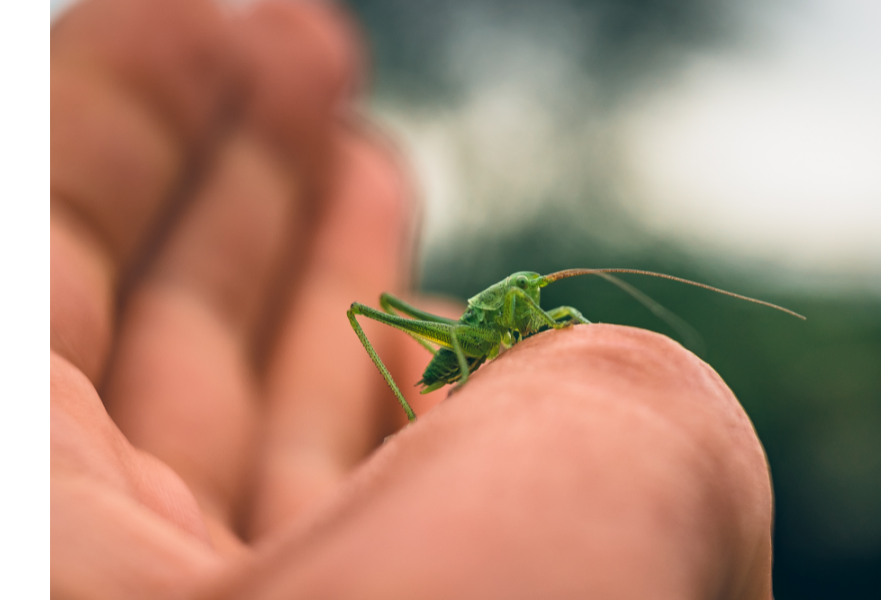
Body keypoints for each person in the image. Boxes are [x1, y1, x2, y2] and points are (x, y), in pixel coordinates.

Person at [50, 0, 775, 596]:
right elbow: (493, 333)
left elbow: (561, 323)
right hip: (454, 351)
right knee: (369, 310)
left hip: (470, 363)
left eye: (543, 295)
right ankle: (407, 414)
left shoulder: (537, 307)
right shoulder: (501, 315)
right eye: (541, 292)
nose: (544, 300)